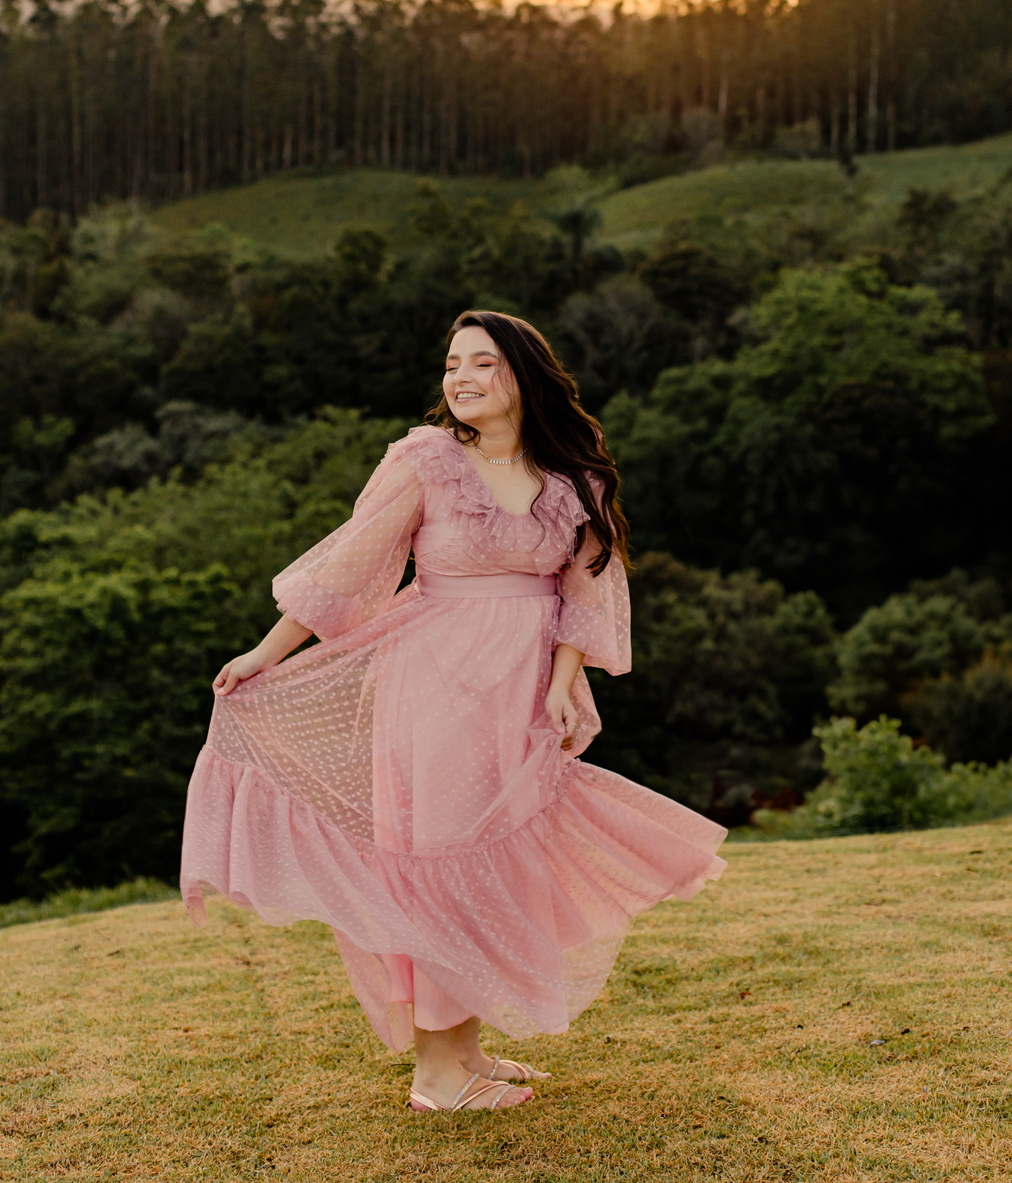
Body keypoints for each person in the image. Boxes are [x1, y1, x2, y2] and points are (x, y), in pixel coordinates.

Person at [180, 310, 726, 1113]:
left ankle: (465, 1050)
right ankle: (436, 1078)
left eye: (480, 363)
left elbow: (585, 592)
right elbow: (353, 558)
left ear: (523, 377)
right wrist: (268, 653)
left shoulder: (576, 480)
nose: (460, 378)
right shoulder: (428, 460)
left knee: (493, 864)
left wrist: (564, 683)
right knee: (438, 863)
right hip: (434, 684)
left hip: (519, 688)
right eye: (450, 365)